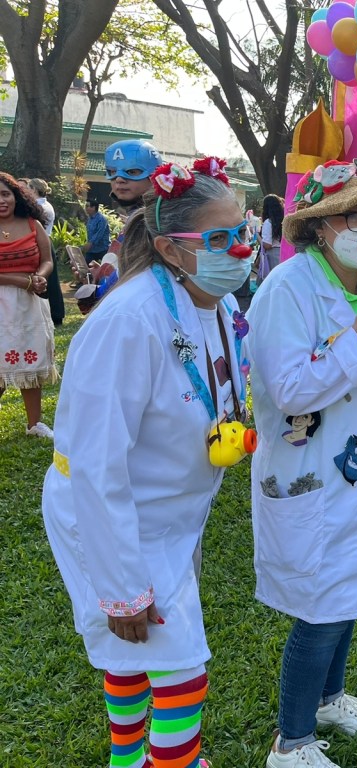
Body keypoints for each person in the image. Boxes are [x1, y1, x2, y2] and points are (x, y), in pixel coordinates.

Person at [41, 158, 256, 768]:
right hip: (113, 516)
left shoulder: (213, 304)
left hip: (164, 513)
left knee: (135, 652)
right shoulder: (128, 321)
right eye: (220, 239)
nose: (241, 250)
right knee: (179, 662)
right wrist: (121, 586)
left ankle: (127, 758)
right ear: (168, 248)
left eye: (242, 233)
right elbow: (95, 464)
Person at [245, 158, 357, 768]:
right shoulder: (287, 289)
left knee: (347, 589)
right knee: (320, 609)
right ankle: (291, 741)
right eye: (356, 216)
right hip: (310, 471)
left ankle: (328, 699)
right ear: (321, 226)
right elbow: (289, 390)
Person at [0, 171, 59, 438]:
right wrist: (20, 280)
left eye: (5, 194)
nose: (1, 200)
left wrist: (40, 277)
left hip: (29, 304)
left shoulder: (33, 225)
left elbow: (47, 260)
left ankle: (34, 424)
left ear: (16, 196)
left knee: (30, 360)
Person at [24, 178, 65, 326]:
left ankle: (54, 314)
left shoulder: (40, 207)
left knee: (47, 282)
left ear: (34, 190)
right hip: (44, 243)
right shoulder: (45, 205)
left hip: (42, 243)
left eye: (28, 188)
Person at [105, 139, 164, 227]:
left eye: (131, 172)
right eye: (113, 172)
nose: (119, 179)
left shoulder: (168, 217)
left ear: (153, 176)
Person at [259, 194, 284, 278]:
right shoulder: (284, 220)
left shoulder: (268, 222)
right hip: (284, 252)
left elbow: (267, 245)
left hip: (273, 254)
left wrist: (257, 236)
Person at [85, 199, 112, 264]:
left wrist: (90, 243)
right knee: (86, 266)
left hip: (102, 249)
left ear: (93, 208)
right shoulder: (90, 219)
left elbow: (99, 233)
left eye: (87, 206)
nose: (85, 208)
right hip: (92, 250)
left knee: (106, 267)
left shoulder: (101, 219)